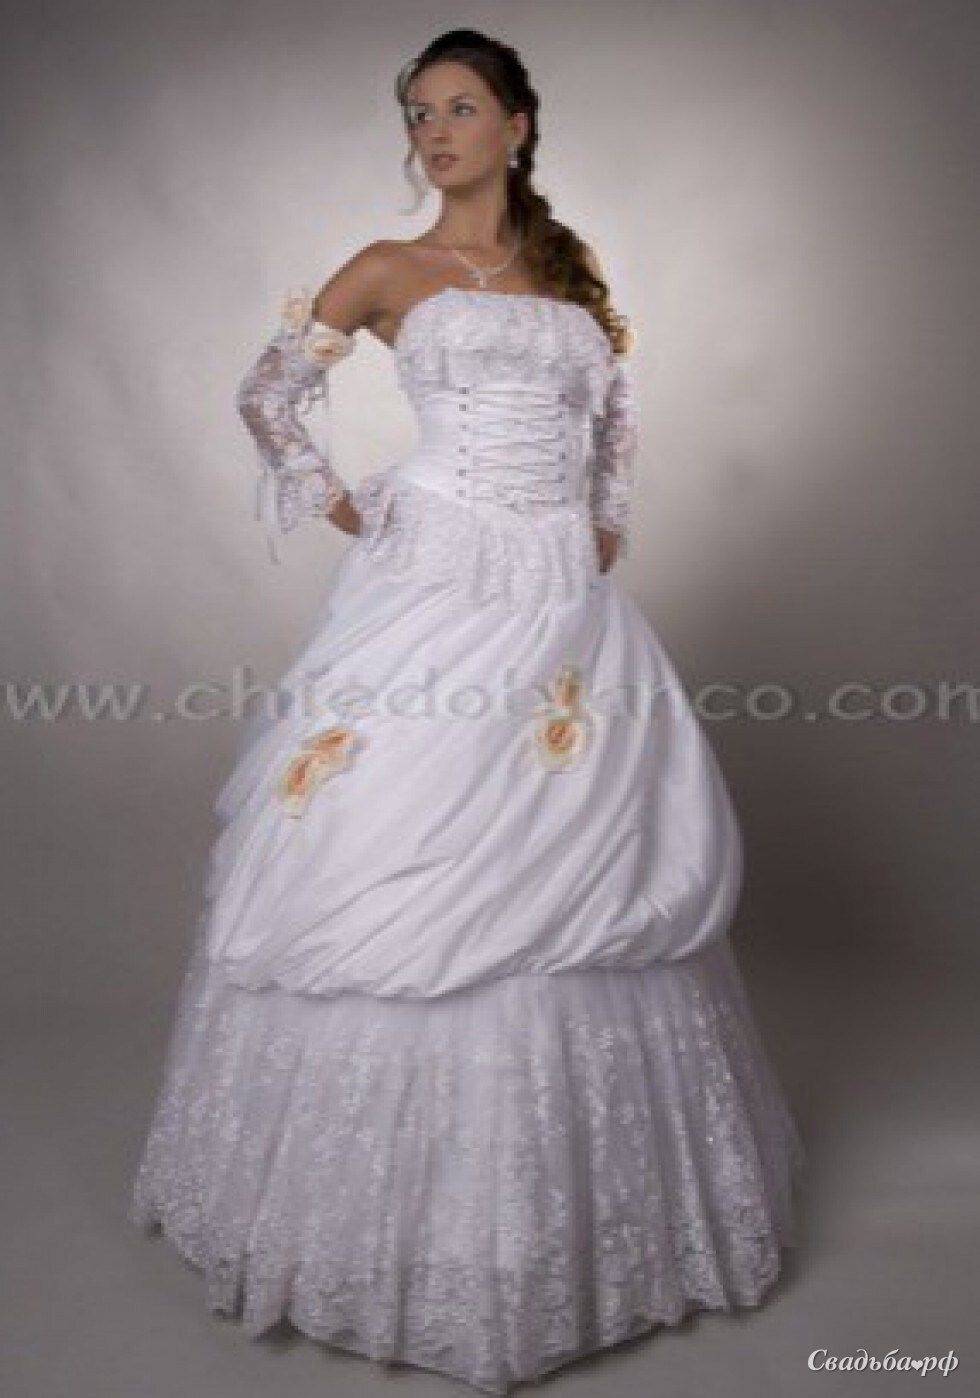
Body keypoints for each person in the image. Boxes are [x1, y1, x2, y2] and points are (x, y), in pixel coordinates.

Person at [128, 27, 807, 1395]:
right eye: (417, 113)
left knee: (575, 853)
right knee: (396, 834)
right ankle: (368, 1232)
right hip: (433, 574)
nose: (434, 132)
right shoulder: (387, 268)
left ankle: (573, 1234)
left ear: (517, 124)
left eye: (459, 107)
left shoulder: (568, 270)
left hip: (559, 600)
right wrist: (342, 503)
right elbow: (270, 390)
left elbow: (612, 419)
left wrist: (600, 527)